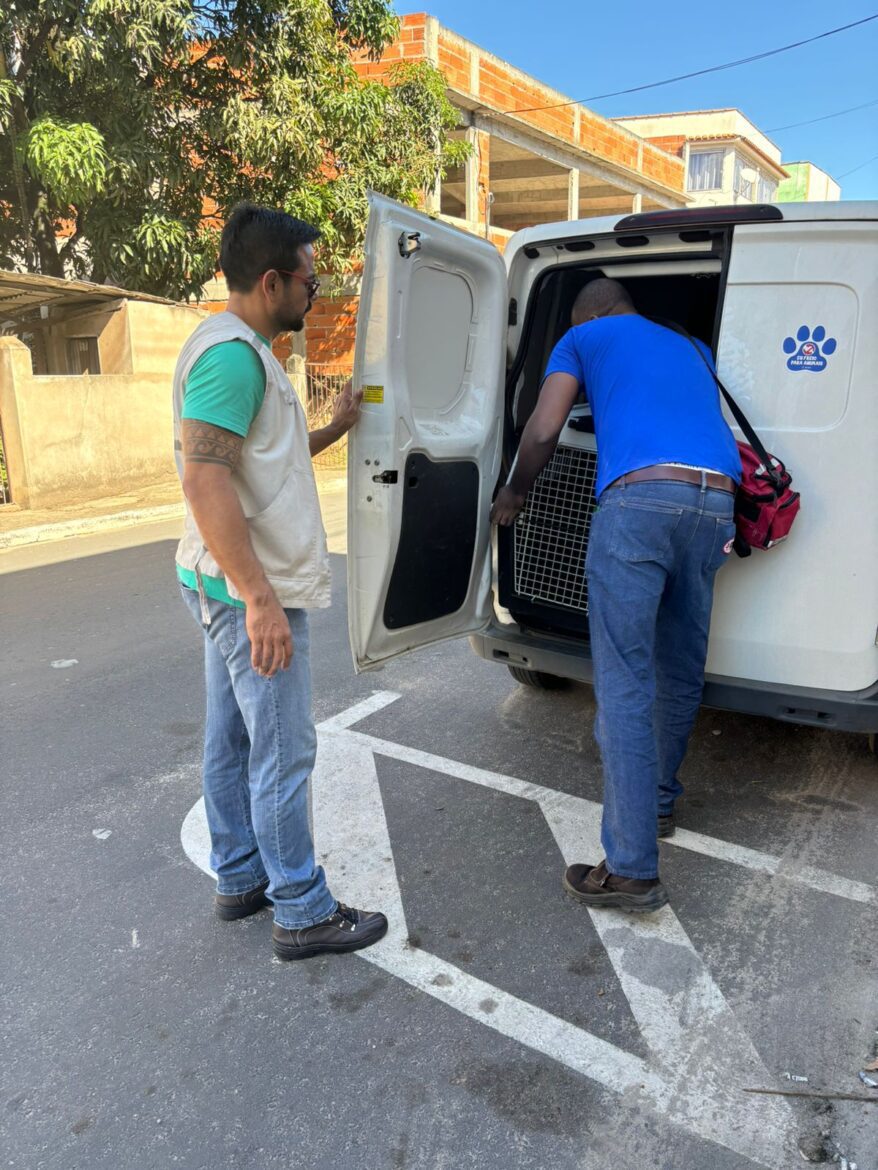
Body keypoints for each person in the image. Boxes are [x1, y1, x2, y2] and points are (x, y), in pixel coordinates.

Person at [173, 203, 387, 959]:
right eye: (309, 278)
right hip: (247, 591)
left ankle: (239, 876)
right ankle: (300, 907)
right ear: (271, 282)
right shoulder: (232, 356)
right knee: (282, 751)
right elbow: (205, 480)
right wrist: (260, 600)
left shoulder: (249, 353)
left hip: (228, 582)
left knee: (232, 739)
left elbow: (266, 460)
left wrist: (337, 423)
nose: (315, 292)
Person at [491, 278, 741, 913]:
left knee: (626, 677)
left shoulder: (582, 336)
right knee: (679, 666)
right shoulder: (692, 346)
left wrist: (516, 491)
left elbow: (547, 427)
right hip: (717, 505)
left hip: (641, 501)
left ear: (591, 313)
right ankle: (656, 807)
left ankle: (630, 869)